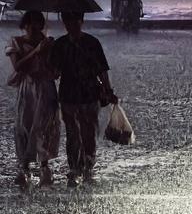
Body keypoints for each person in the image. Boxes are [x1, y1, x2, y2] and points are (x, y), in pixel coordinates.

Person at [50, 12, 118, 187]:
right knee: (72, 131)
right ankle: (75, 165)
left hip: (89, 93)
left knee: (88, 129)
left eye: (74, 21)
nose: (71, 25)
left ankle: (88, 159)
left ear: (81, 21)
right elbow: (55, 73)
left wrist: (108, 89)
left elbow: (102, 70)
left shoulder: (92, 43)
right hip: (69, 94)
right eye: (68, 22)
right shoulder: (60, 44)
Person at [5, 11, 60, 188]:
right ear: (25, 25)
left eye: (37, 23)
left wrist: (49, 51)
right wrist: (36, 51)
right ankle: (25, 166)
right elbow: (18, 66)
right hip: (27, 89)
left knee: (43, 125)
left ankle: (44, 167)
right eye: (30, 23)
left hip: (45, 87)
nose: (33, 27)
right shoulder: (16, 42)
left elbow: (55, 69)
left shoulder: (48, 43)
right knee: (24, 125)